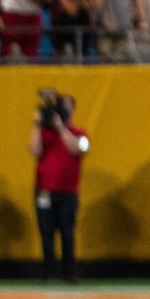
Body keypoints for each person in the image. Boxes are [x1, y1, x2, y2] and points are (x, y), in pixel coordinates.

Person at [30, 92, 89, 283]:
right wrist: (38, 125)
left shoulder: (80, 133)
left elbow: (79, 149)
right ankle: (49, 273)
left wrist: (61, 128)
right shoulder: (44, 133)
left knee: (68, 233)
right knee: (46, 233)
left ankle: (69, 273)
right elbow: (34, 150)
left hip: (68, 192)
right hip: (45, 191)